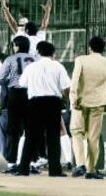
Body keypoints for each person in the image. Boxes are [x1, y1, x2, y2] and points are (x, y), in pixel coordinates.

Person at [16, 41, 70, 177]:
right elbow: (66, 88)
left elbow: (22, 83)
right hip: (53, 102)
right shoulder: (58, 66)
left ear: (38, 52)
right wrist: (68, 100)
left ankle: (23, 169)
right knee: (53, 136)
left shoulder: (31, 67)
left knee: (31, 136)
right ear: (53, 53)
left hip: (35, 103)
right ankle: (55, 170)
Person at [70, 36, 106, 179]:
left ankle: (80, 165)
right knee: (93, 138)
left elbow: (74, 81)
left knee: (77, 133)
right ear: (103, 49)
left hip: (80, 104)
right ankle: (91, 170)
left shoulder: (81, 60)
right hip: (98, 104)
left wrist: (73, 99)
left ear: (89, 48)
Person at [0, 36, 35, 173]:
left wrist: (11, 78)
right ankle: (29, 161)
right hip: (31, 94)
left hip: (15, 94)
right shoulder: (35, 59)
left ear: (17, 46)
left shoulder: (10, 59)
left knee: (13, 130)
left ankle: (11, 161)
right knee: (29, 130)